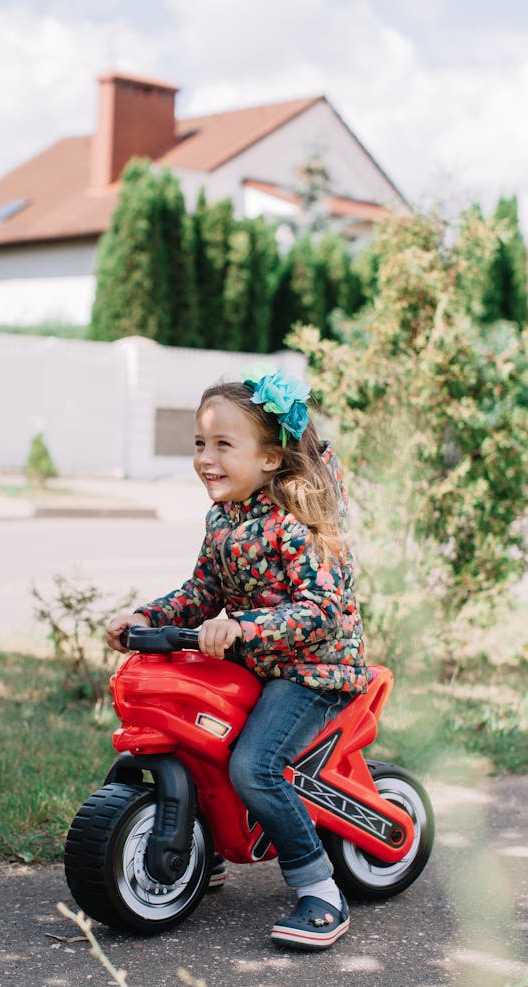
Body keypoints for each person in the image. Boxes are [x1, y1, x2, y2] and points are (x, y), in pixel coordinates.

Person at [107, 365, 367, 951]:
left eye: (224, 445)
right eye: (201, 443)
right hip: (257, 663)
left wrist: (240, 627)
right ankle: (195, 845)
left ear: (270, 458)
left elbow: (320, 608)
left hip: (314, 671)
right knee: (195, 740)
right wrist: (148, 617)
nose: (206, 458)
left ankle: (320, 889)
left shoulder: (297, 523)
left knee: (254, 765)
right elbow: (204, 590)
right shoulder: (223, 517)